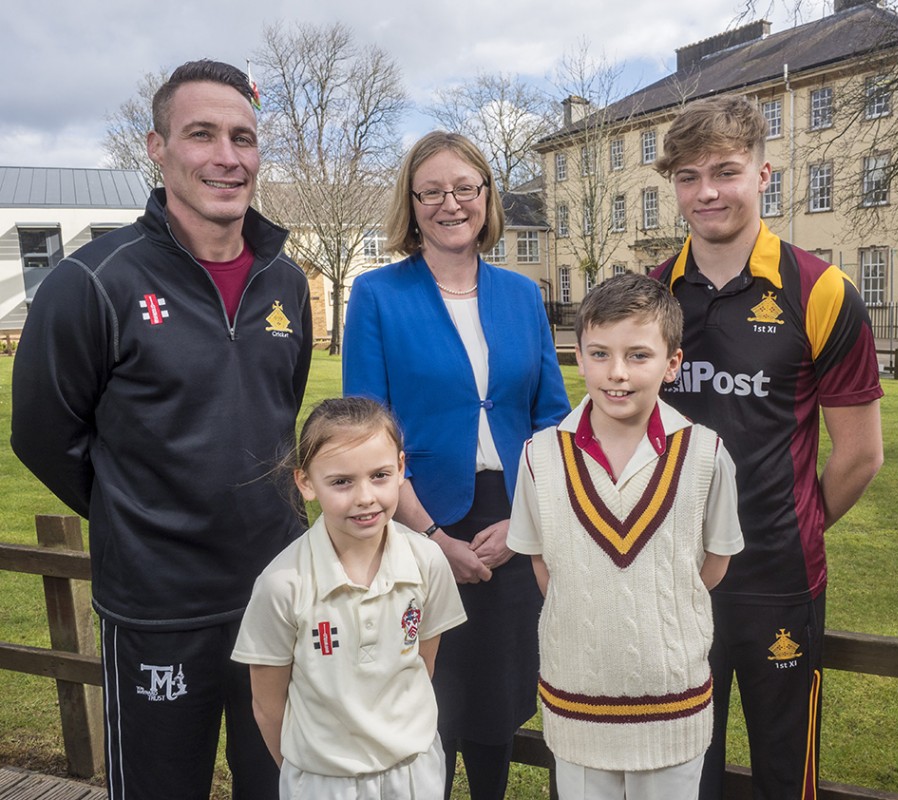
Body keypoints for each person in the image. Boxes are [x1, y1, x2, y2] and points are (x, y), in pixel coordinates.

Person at [11, 60, 313, 800]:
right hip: (157, 609)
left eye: (242, 137)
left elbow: (278, 415)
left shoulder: (288, 283)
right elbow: (44, 435)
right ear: (156, 146)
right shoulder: (93, 282)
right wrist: (138, 510)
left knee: (279, 786)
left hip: (275, 593)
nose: (226, 156)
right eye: (201, 133)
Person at [651, 94, 884, 800]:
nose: (707, 192)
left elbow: (860, 455)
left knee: (788, 774)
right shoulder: (650, 292)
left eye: (725, 171)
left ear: (764, 174)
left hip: (781, 581)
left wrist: (798, 526)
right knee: (688, 771)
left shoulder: (822, 291)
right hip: (673, 579)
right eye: (688, 178)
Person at [342, 131, 571, 799]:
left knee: (499, 703)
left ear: (487, 197)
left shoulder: (522, 296)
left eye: (465, 188)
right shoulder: (379, 295)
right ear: (411, 205)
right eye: (432, 191)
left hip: (510, 522)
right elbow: (364, 435)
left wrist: (523, 523)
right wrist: (432, 540)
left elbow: (551, 419)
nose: (451, 204)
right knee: (428, 709)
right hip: (417, 526)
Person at [507, 272, 744, 800]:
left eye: (639, 355)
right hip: (578, 704)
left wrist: (652, 599)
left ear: (673, 363)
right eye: (600, 354)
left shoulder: (705, 455)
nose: (617, 373)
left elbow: (711, 567)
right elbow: (547, 567)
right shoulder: (540, 457)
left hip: (671, 705)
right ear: (578, 355)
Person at [232, 397, 467, 799]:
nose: (365, 497)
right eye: (341, 481)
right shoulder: (282, 584)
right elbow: (267, 705)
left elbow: (422, 663)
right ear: (306, 483)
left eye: (379, 475)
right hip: (323, 781)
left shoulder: (427, 561)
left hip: (415, 772)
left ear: (401, 468)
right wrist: (306, 773)